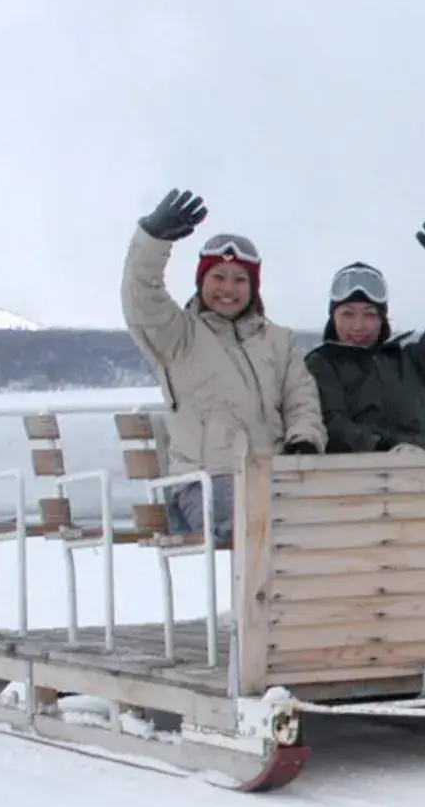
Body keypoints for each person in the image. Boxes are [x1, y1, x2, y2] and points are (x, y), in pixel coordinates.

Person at [121, 188, 325, 543]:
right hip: (205, 484)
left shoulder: (279, 341)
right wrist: (153, 239)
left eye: (239, 279)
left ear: (253, 286)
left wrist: (303, 441)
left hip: (272, 477)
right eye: (218, 277)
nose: (228, 289)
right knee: (256, 532)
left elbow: (301, 400)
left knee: (326, 533)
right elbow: (141, 295)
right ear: (201, 281)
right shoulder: (178, 334)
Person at [305, 219, 425, 454]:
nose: (358, 325)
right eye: (347, 314)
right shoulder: (321, 365)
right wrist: (387, 449)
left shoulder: (410, 365)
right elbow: (334, 424)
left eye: (369, 315)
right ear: (333, 318)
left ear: (382, 319)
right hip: (357, 480)